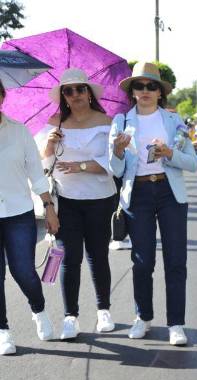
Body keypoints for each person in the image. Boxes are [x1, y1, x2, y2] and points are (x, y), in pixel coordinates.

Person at [109, 61, 197, 346]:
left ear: (160, 92)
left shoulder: (174, 121)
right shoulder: (121, 121)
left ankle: (176, 324)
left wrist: (170, 152)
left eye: (151, 86)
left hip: (170, 193)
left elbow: (193, 164)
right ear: (132, 91)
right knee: (142, 261)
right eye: (139, 85)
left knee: (176, 261)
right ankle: (142, 316)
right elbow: (116, 169)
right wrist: (118, 151)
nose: (145, 90)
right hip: (138, 195)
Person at [37, 68, 117, 340]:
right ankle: (70, 316)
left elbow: (114, 164)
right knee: (70, 259)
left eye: (80, 89)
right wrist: (48, 146)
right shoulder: (54, 123)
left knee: (97, 255)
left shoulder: (107, 121)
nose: (75, 95)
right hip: (66, 201)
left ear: (90, 93)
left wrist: (82, 166)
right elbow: (43, 167)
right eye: (68, 91)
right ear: (63, 97)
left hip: (100, 199)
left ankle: (103, 310)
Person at [0, 79, 60, 354]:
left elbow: (36, 173)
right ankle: (3, 331)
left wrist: (48, 206)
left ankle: (39, 310)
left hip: (18, 212)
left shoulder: (19, 131)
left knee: (23, 271)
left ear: (2, 97)